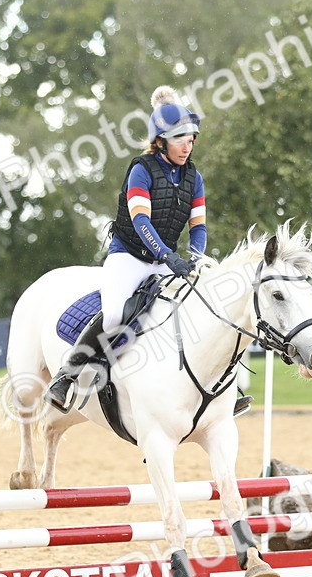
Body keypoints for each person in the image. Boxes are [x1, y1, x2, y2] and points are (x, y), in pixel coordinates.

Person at [47, 86, 251, 416]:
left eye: (192, 138)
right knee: (114, 315)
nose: (188, 145)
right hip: (128, 256)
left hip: (164, 261)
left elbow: (198, 227)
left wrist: (195, 259)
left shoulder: (194, 178)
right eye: (180, 138)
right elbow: (141, 222)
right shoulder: (140, 169)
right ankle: (66, 375)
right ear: (161, 140)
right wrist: (168, 256)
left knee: (199, 305)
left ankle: (223, 388)